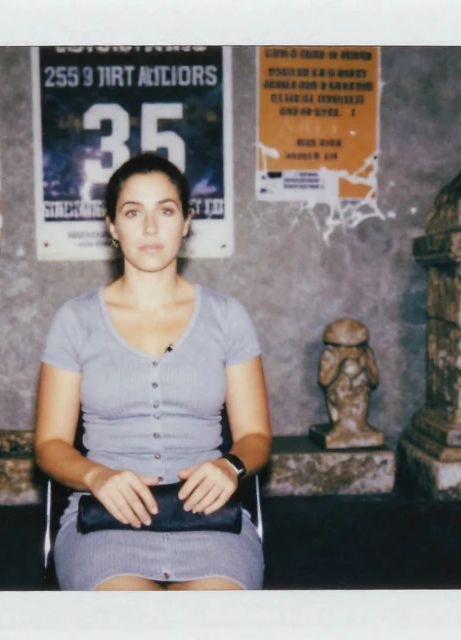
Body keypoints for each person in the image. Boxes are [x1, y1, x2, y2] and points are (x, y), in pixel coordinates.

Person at [34, 153, 273, 591]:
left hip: (209, 518)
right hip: (105, 518)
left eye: (165, 210)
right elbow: (50, 445)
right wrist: (96, 476)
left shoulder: (227, 316)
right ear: (111, 226)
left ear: (186, 222)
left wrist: (230, 468)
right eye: (132, 212)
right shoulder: (75, 320)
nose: (149, 228)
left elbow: (256, 437)